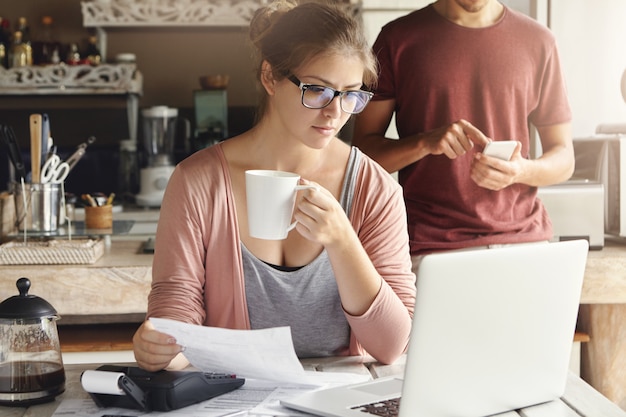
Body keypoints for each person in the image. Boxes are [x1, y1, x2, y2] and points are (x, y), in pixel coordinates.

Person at [133, 0, 416, 372]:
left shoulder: (374, 189)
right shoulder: (198, 182)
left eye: (351, 94)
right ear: (270, 77)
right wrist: (162, 346)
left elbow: (392, 345)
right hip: (234, 400)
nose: (336, 112)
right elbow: (176, 308)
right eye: (317, 90)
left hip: (339, 404)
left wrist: (343, 241)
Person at [352, 0, 575, 264]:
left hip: (526, 243)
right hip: (430, 247)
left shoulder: (540, 41)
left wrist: (521, 171)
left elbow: (564, 158)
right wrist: (424, 143)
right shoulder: (396, 40)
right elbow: (362, 154)